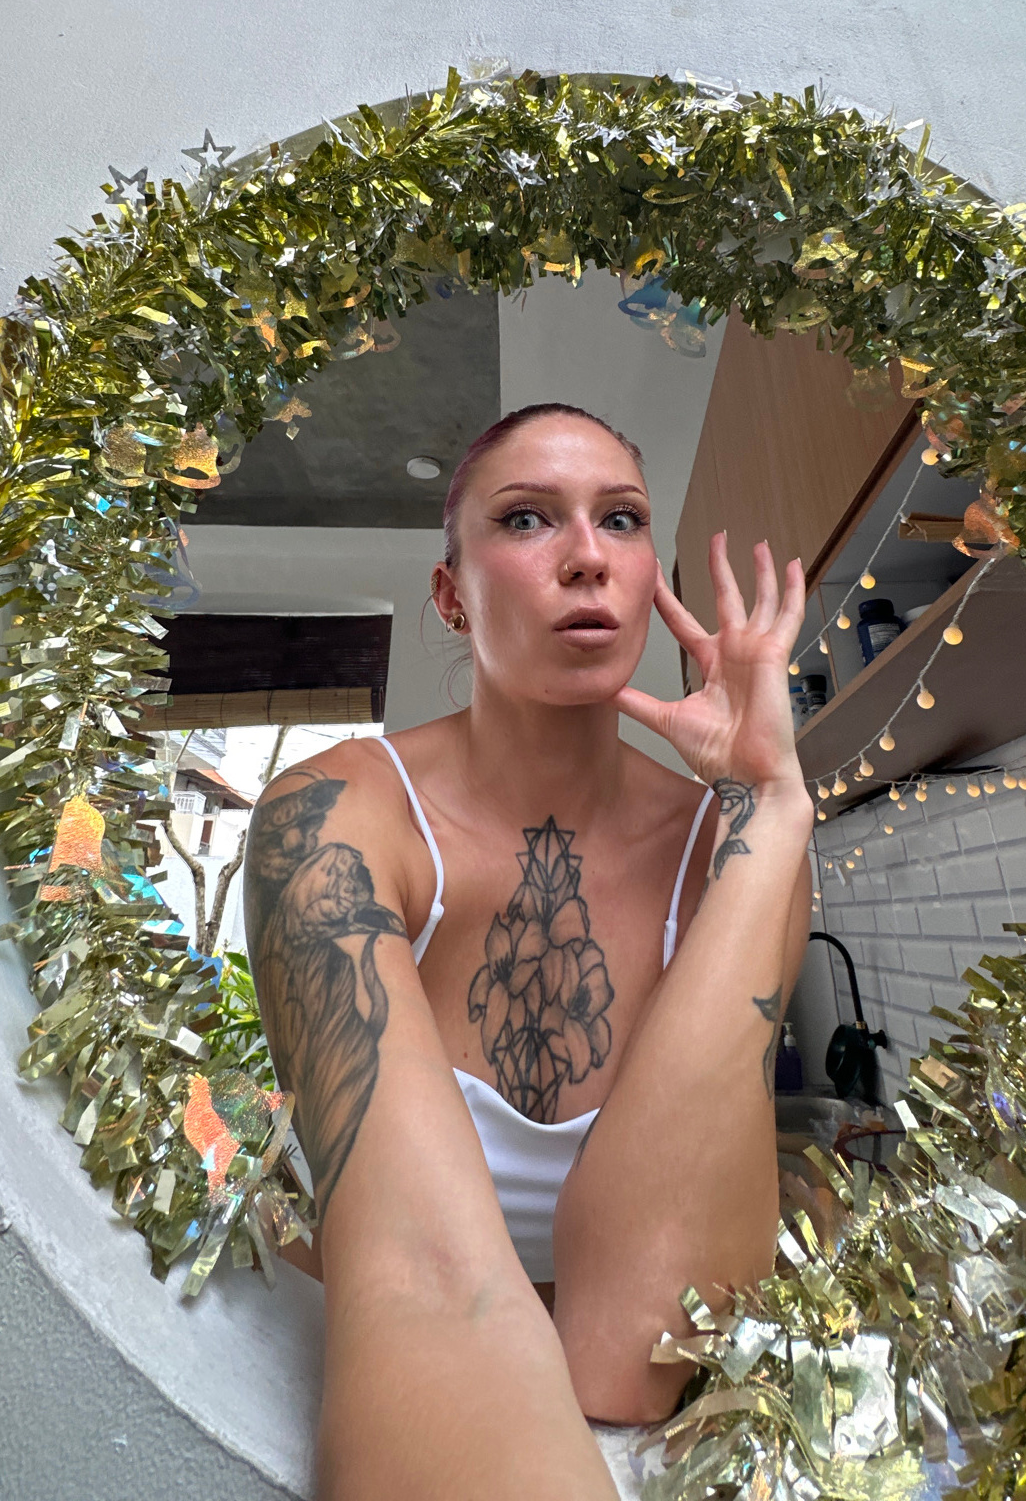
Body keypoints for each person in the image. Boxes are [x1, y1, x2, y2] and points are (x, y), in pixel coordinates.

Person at [243, 402, 815, 1500]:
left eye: (621, 519)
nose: (588, 555)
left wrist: (773, 803)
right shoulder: (334, 816)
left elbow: (638, 1352)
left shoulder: (735, 847)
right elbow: (422, 1293)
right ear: (451, 593)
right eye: (526, 518)